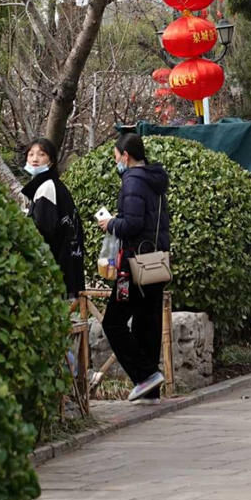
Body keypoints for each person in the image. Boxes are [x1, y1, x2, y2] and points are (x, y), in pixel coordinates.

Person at [97, 132, 170, 403]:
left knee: (113, 322)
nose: (116, 162)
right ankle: (150, 390)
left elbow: (133, 224)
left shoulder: (132, 180)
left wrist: (111, 224)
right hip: (155, 260)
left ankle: (145, 374)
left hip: (134, 263)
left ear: (125, 156)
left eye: (116, 157)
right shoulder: (155, 179)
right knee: (146, 324)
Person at [21, 136, 85, 300]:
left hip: (53, 266)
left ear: (51, 161)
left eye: (41, 154)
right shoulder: (53, 184)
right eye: (31, 154)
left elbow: (42, 230)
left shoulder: (46, 187)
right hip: (66, 263)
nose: (35, 159)